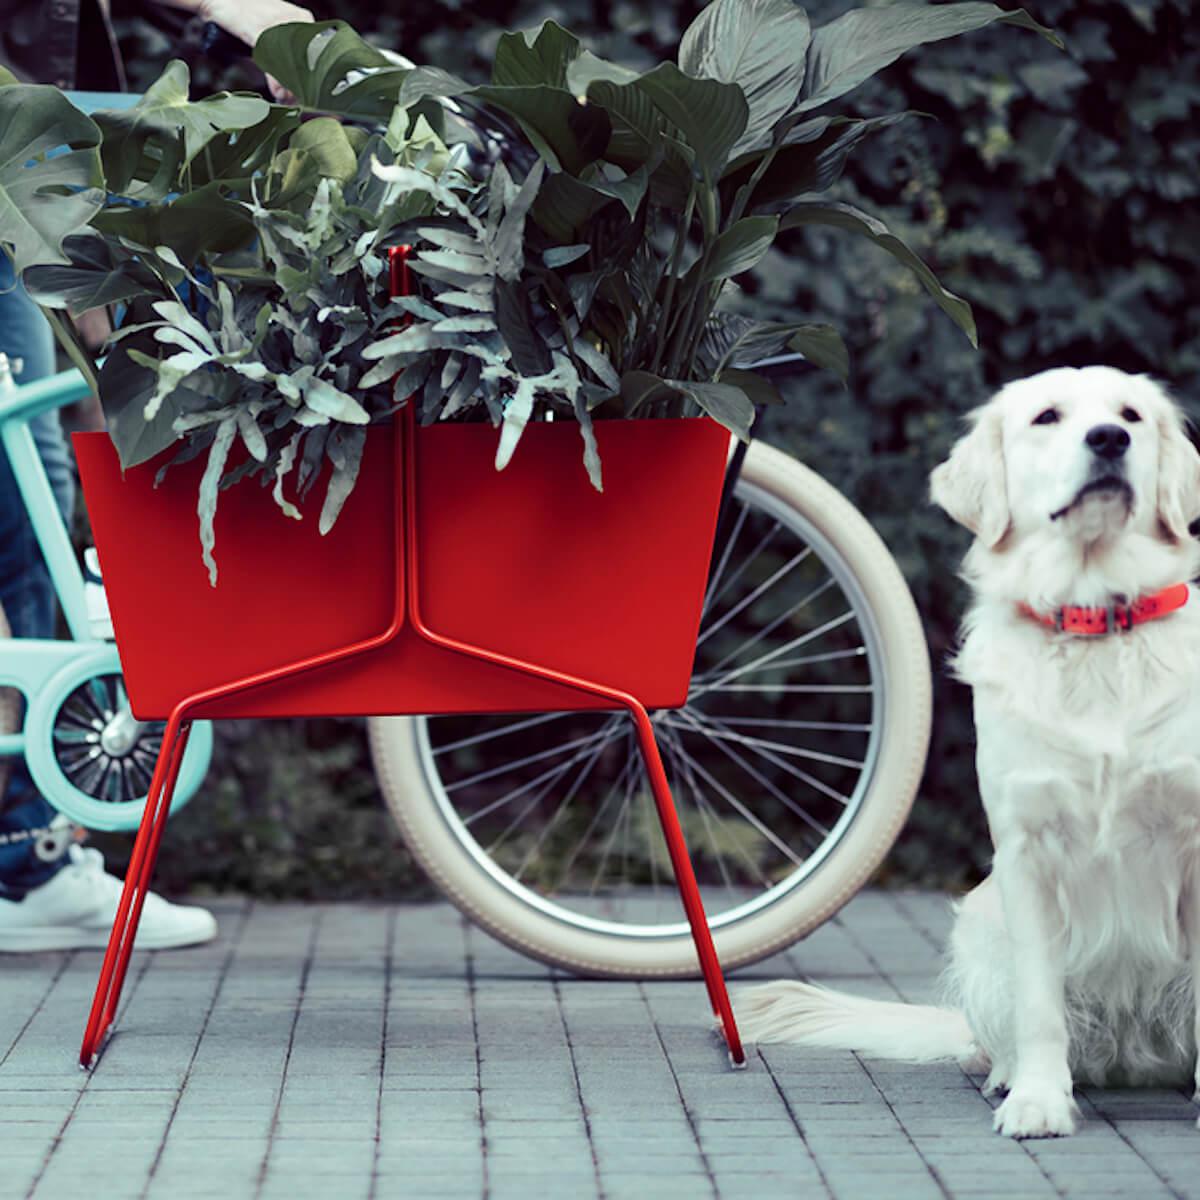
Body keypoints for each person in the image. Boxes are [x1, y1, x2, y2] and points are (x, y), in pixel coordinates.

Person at [0, 0, 312, 951]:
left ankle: (24, 857)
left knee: (41, 481)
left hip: (19, 142)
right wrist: (250, 13)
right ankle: (25, 861)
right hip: (14, 144)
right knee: (32, 502)